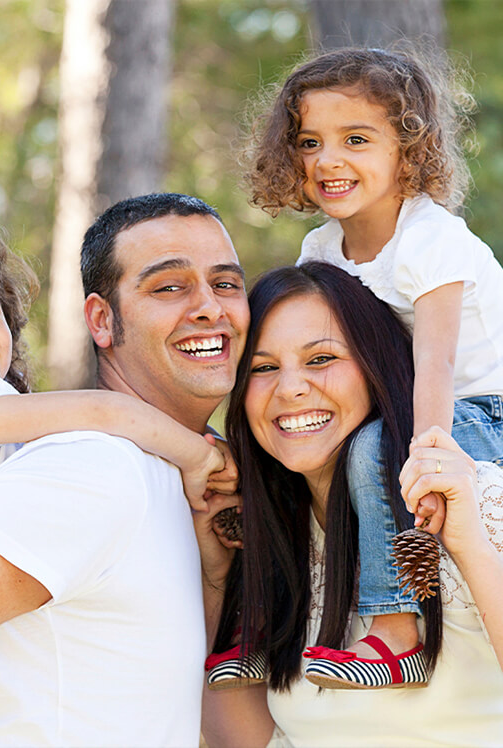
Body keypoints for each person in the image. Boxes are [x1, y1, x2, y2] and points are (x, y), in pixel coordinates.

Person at [0, 193, 249, 747]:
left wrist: (212, 573)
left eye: (227, 283)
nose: (210, 306)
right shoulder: (92, 466)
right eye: (170, 286)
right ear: (101, 319)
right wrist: (198, 453)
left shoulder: (153, 474)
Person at [235, 46, 503, 686]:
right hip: (410, 403)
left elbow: (434, 362)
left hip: (483, 411)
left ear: (408, 150)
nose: (327, 160)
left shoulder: (432, 240)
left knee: (376, 447)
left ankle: (398, 628)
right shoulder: (321, 247)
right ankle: (267, 629)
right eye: (308, 142)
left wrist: (426, 455)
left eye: (356, 138)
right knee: (295, 455)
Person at [199, 262, 503, 748]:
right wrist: (216, 571)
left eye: (321, 359)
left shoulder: (473, 497)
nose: (290, 388)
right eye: (262, 367)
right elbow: (249, 741)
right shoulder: (278, 540)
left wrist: (470, 548)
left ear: (377, 366)